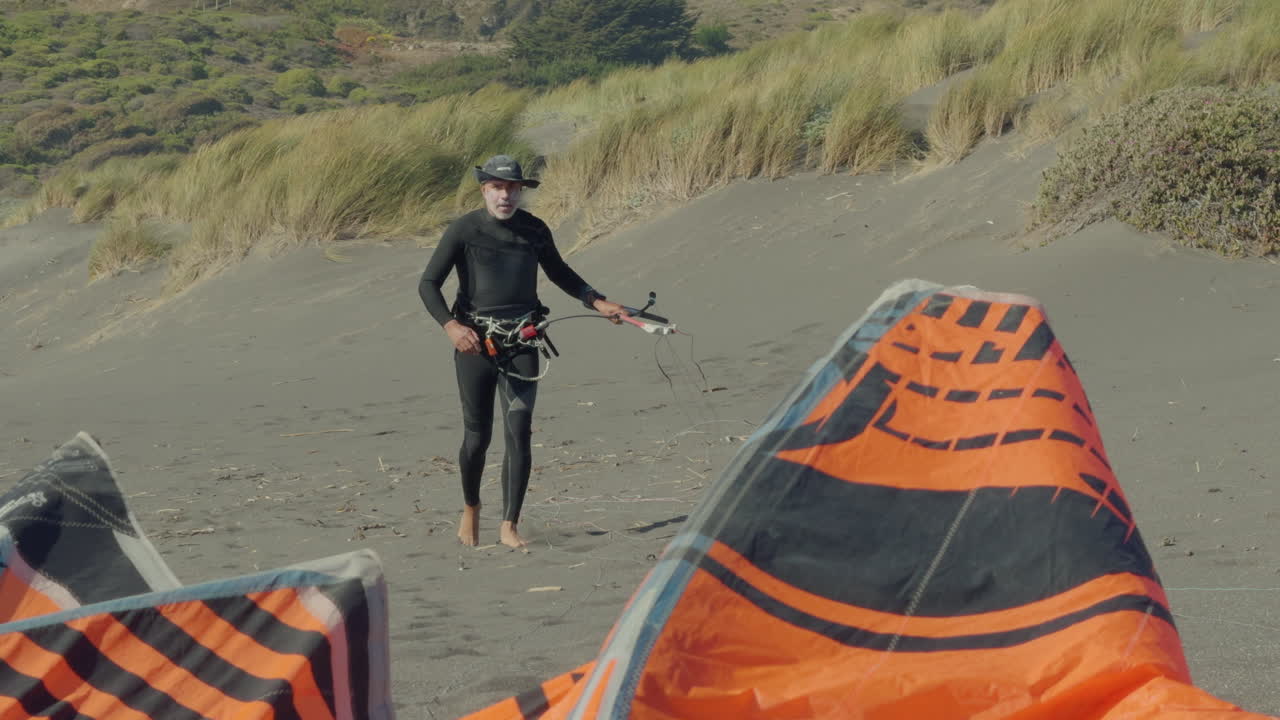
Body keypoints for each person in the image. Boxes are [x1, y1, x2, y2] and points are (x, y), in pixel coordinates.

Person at [418, 155, 629, 549]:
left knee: (519, 432)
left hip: (523, 341)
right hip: (476, 344)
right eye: (497, 187)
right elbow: (428, 283)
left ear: (521, 191)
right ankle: (471, 509)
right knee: (477, 439)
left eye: (513, 188)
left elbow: (561, 272)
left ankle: (509, 526)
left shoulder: (534, 230)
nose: (506, 195)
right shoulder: (464, 230)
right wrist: (451, 325)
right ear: (484, 190)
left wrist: (598, 302)